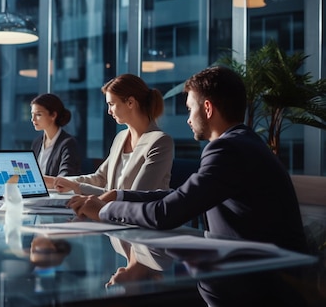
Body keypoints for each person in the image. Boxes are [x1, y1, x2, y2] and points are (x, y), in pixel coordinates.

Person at [68, 66, 309, 306]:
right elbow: (182, 196)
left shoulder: (227, 149)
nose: (188, 119)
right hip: (255, 279)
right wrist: (119, 196)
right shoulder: (243, 142)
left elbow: (167, 213)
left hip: (255, 289)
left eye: (190, 108)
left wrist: (103, 210)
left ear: (207, 108)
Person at [46, 74, 173, 197]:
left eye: (111, 104)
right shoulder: (121, 138)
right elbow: (100, 178)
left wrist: (77, 187)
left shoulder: (160, 141)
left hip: (139, 217)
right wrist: (56, 181)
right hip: (112, 214)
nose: (109, 111)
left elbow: (135, 196)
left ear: (130, 102)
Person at [30, 93, 81, 176]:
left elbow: (66, 176)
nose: (33, 119)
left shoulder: (68, 143)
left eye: (38, 114)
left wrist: (41, 181)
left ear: (53, 115)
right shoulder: (37, 143)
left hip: (56, 189)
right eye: (32, 114)